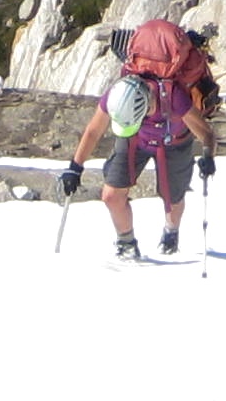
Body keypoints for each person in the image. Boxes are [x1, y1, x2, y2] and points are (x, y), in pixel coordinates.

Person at [59, 18, 217, 259]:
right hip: (136, 139)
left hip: (174, 142)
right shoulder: (118, 93)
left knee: (173, 199)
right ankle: (126, 244)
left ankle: (171, 232)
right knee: (111, 195)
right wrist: (75, 167)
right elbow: (93, 130)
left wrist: (208, 156)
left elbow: (206, 133)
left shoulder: (174, 97)